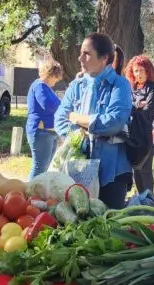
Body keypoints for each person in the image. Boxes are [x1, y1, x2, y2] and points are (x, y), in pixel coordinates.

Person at [54, 33, 133, 209]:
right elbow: (60, 118)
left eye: (86, 53)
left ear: (104, 58)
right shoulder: (77, 85)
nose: (80, 57)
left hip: (111, 173)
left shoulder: (120, 85)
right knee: (77, 223)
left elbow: (114, 122)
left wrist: (78, 118)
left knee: (109, 226)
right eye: (81, 52)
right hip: (77, 170)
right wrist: (79, 137)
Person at [124, 55, 154, 196]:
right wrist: (137, 105)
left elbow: (149, 112)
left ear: (148, 71)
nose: (138, 74)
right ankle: (140, 200)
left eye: (141, 70)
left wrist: (134, 108)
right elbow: (127, 108)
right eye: (135, 71)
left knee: (145, 170)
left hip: (146, 136)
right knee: (135, 170)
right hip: (132, 136)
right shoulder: (131, 88)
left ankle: (149, 202)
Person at [26, 59, 64, 180]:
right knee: (39, 168)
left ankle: (35, 193)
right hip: (41, 132)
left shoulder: (46, 87)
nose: (57, 80)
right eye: (56, 77)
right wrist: (64, 108)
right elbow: (48, 105)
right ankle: (29, 195)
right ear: (51, 74)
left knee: (44, 167)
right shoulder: (39, 86)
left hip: (49, 132)